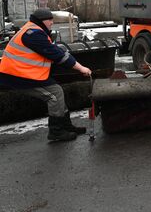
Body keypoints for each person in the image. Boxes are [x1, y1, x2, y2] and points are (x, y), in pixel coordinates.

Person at [0, 8, 92, 142]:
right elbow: (57, 54)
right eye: (49, 20)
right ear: (41, 21)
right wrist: (81, 68)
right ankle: (56, 131)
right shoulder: (33, 34)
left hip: (24, 72)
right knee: (55, 94)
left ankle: (66, 126)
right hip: (17, 75)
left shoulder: (34, 30)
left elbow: (52, 52)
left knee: (57, 91)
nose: (52, 23)